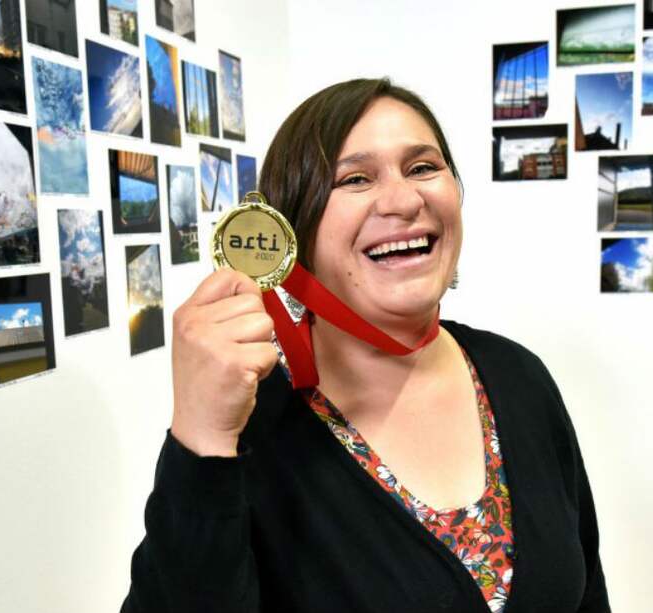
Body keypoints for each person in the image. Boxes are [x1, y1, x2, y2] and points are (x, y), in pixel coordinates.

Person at [121, 79, 609, 613]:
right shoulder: (249, 428)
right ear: (292, 228)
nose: (403, 200)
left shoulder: (519, 378)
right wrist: (202, 437)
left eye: (423, 167)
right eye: (355, 178)